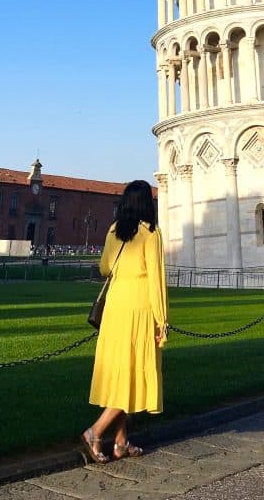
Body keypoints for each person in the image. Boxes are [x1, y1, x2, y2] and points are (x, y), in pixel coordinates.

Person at [81, 180, 168, 464]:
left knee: (120, 372)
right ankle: (95, 432)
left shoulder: (112, 230)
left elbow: (105, 267)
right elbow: (156, 280)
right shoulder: (150, 233)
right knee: (133, 376)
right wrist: (162, 320)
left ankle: (120, 442)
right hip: (140, 307)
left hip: (115, 308)